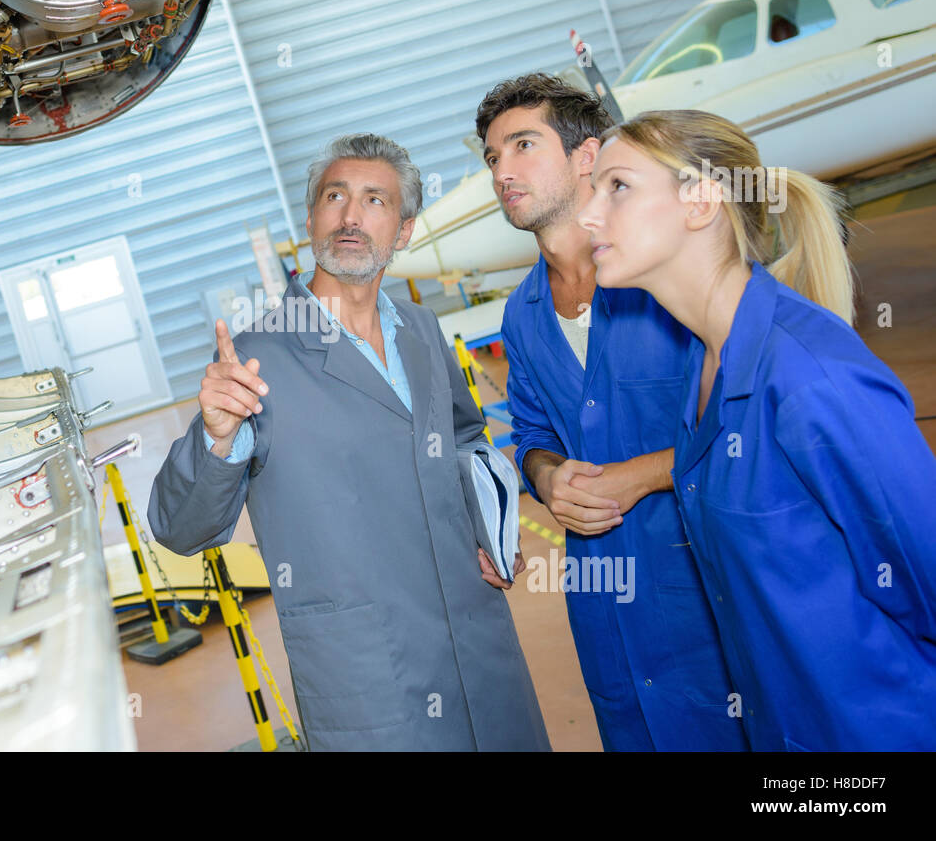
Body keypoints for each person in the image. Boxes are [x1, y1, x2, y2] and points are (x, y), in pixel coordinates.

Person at [148, 133, 550, 751]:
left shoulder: (421, 329)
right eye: (335, 196)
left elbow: (466, 438)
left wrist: (487, 526)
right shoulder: (258, 358)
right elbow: (181, 530)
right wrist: (218, 436)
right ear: (311, 220)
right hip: (368, 668)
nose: (351, 216)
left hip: (476, 633)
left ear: (406, 229)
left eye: (375, 200)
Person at [578, 107, 936, 749]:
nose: (588, 215)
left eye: (619, 188)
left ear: (701, 203)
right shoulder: (703, 371)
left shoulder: (810, 380)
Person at [474, 75, 746, 751]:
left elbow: (747, 419)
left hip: (707, 591)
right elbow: (532, 432)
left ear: (586, 157)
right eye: (491, 157)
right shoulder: (523, 312)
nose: (502, 170)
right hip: (606, 610)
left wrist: (643, 474)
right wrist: (547, 474)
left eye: (523, 145)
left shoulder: (664, 280)